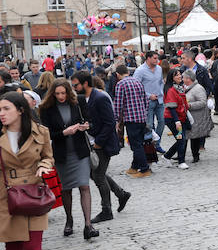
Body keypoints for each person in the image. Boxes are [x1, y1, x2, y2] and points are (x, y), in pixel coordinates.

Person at [0, 92, 55, 250]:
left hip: (33, 194)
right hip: (7, 198)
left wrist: (44, 166)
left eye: (6, 109)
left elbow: (48, 157)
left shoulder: (40, 132)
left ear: (20, 110)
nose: (1, 114)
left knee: (33, 249)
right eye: (0, 110)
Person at [39, 79, 98, 240]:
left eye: (63, 93)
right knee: (66, 189)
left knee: (84, 186)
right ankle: (69, 219)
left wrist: (86, 126)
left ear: (68, 92)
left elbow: (89, 121)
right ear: (52, 93)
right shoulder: (46, 109)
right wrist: (64, 133)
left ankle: (88, 225)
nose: (61, 96)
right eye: (57, 93)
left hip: (80, 152)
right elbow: (47, 133)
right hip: (62, 154)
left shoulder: (78, 102)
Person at [71, 72, 129, 222]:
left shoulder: (100, 98)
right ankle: (121, 194)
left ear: (85, 84)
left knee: (98, 176)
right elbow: (93, 121)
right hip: (91, 142)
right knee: (96, 173)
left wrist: (99, 142)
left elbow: (110, 123)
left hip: (103, 144)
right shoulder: (83, 99)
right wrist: (87, 126)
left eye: (76, 85)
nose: (74, 88)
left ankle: (106, 210)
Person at [112, 64, 151, 177]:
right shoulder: (137, 82)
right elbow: (146, 100)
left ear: (118, 74)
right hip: (141, 118)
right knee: (139, 143)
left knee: (136, 145)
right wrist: (144, 113)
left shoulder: (120, 84)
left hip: (131, 119)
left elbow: (118, 104)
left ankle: (144, 169)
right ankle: (134, 166)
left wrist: (116, 120)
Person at [133, 51, 165, 153]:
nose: (157, 60)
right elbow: (136, 86)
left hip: (159, 100)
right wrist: (148, 95)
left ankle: (157, 143)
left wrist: (161, 92)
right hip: (147, 102)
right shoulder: (140, 71)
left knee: (162, 122)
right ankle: (149, 148)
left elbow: (161, 82)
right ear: (148, 58)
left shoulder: (159, 69)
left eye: (157, 58)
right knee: (149, 125)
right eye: (155, 58)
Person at [183, 70, 213, 164]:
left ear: (188, 79)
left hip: (197, 117)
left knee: (194, 138)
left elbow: (203, 102)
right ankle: (182, 155)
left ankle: (195, 155)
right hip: (189, 117)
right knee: (186, 137)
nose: (182, 79)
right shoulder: (186, 87)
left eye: (183, 77)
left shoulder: (198, 88)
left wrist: (189, 105)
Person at [161, 69, 189, 169]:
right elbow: (171, 107)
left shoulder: (179, 88)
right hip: (173, 119)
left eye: (180, 74)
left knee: (181, 139)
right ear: (172, 78)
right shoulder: (171, 90)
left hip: (181, 117)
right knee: (181, 139)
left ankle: (167, 156)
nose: (180, 76)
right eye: (177, 75)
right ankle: (181, 161)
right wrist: (177, 121)